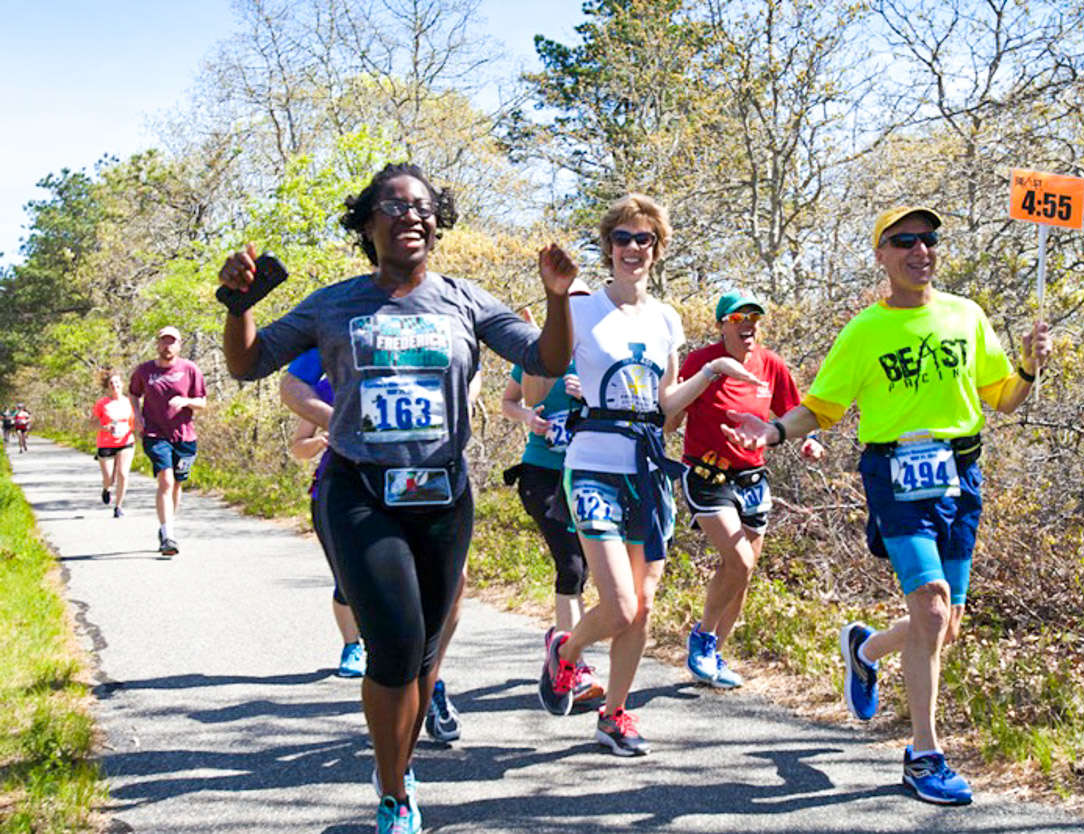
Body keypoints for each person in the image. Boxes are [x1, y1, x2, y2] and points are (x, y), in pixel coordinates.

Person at [219, 162, 573, 834]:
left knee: (425, 650)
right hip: (360, 490)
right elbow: (247, 364)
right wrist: (239, 308)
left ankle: (397, 763)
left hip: (442, 493)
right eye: (392, 205)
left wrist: (558, 298)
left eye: (422, 206)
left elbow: (550, 361)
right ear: (366, 224)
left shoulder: (466, 302)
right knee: (395, 645)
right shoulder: (335, 304)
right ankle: (394, 793)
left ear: (438, 223)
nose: (410, 215)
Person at [726, 205, 1052, 805]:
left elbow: (1003, 398)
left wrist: (1029, 367)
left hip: (960, 472)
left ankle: (865, 648)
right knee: (929, 608)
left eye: (927, 239)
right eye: (904, 241)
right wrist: (771, 432)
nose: (919, 250)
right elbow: (822, 406)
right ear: (882, 255)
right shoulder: (864, 330)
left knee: (944, 624)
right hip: (895, 474)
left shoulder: (966, 315)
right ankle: (924, 755)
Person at [535, 194, 759, 756]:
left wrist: (709, 372)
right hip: (591, 463)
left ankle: (615, 715)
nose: (633, 249)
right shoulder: (580, 307)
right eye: (623, 239)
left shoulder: (665, 318)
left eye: (645, 240)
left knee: (645, 604)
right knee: (620, 605)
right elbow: (539, 383)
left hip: (648, 467)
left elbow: (664, 405)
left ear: (658, 250)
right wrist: (553, 303)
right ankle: (565, 650)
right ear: (607, 247)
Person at [281, 351, 471, 743]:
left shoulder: (427, 365)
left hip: (423, 483)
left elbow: (470, 384)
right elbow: (297, 445)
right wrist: (323, 439)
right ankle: (365, 655)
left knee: (453, 584)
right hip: (351, 493)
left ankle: (429, 677)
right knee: (360, 591)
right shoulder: (328, 384)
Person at [666, 290, 823, 689]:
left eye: (754, 317)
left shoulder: (771, 364)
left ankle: (715, 655)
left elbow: (792, 412)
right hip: (707, 474)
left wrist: (807, 441)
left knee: (742, 573)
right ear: (722, 325)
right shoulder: (702, 362)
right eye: (738, 318)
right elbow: (672, 416)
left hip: (752, 479)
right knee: (739, 560)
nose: (748, 324)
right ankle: (702, 637)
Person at [500, 289, 604, 706]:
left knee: (586, 570)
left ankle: (561, 643)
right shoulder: (539, 350)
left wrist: (589, 396)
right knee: (571, 563)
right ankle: (571, 665)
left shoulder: (601, 354)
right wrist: (528, 417)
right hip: (542, 473)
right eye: (568, 307)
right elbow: (520, 401)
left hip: (588, 471)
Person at [286, 349, 366, 678]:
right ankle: (352, 646)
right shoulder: (323, 390)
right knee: (347, 576)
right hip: (333, 492)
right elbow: (297, 448)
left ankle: (385, 642)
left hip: (390, 490)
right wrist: (320, 441)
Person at [129, 325, 208, 557]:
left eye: (172, 341)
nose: (167, 346)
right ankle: (168, 534)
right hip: (155, 433)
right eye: (164, 341)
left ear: (179, 345)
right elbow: (133, 393)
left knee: (176, 484)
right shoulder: (144, 371)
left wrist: (186, 402)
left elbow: (202, 402)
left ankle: (167, 527)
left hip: (184, 435)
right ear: (157, 344)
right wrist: (137, 416)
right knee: (165, 479)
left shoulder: (190, 369)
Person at [91, 369, 136, 518]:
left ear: (122, 384)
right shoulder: (102, 403)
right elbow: (91, 423)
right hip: (106, 442)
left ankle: (119, 506)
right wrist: (105, 427)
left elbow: (136, 421)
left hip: (126, 441)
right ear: (108, 387)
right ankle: (106, 488)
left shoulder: (130, 402)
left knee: (123, 473)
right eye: (111, 383)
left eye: (117, 382)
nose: (114, 385)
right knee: (109, 477)